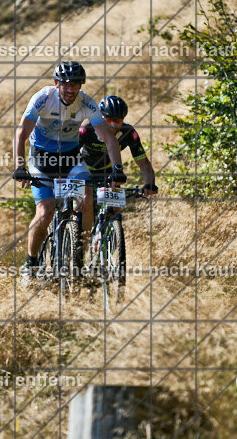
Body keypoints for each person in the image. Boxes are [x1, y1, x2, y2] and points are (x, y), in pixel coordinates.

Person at [12, 62, 126, 278]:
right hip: (42, 160)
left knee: (86, 200)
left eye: (75, 84)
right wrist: (19, 166)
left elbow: (109, 138)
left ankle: (79, 254)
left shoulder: (87, 102)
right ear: (57, 84)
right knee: (45, 211)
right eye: (66, 84)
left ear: (81, 86)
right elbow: (21, 134)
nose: (71, 89)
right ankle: (31, 263)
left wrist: (117, 168)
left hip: (71, 159)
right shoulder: (43, 98)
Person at [78, 95, 158, 239]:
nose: (113, 124)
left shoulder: (129, 133)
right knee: (86, 200)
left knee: (115, 207)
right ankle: (82, 244)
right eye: (109, 119)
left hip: (109, 170)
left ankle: (109, 241)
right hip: (84, 167)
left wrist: (149, 183)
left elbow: (143, 162)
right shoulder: (86, 129)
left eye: (118, 120)